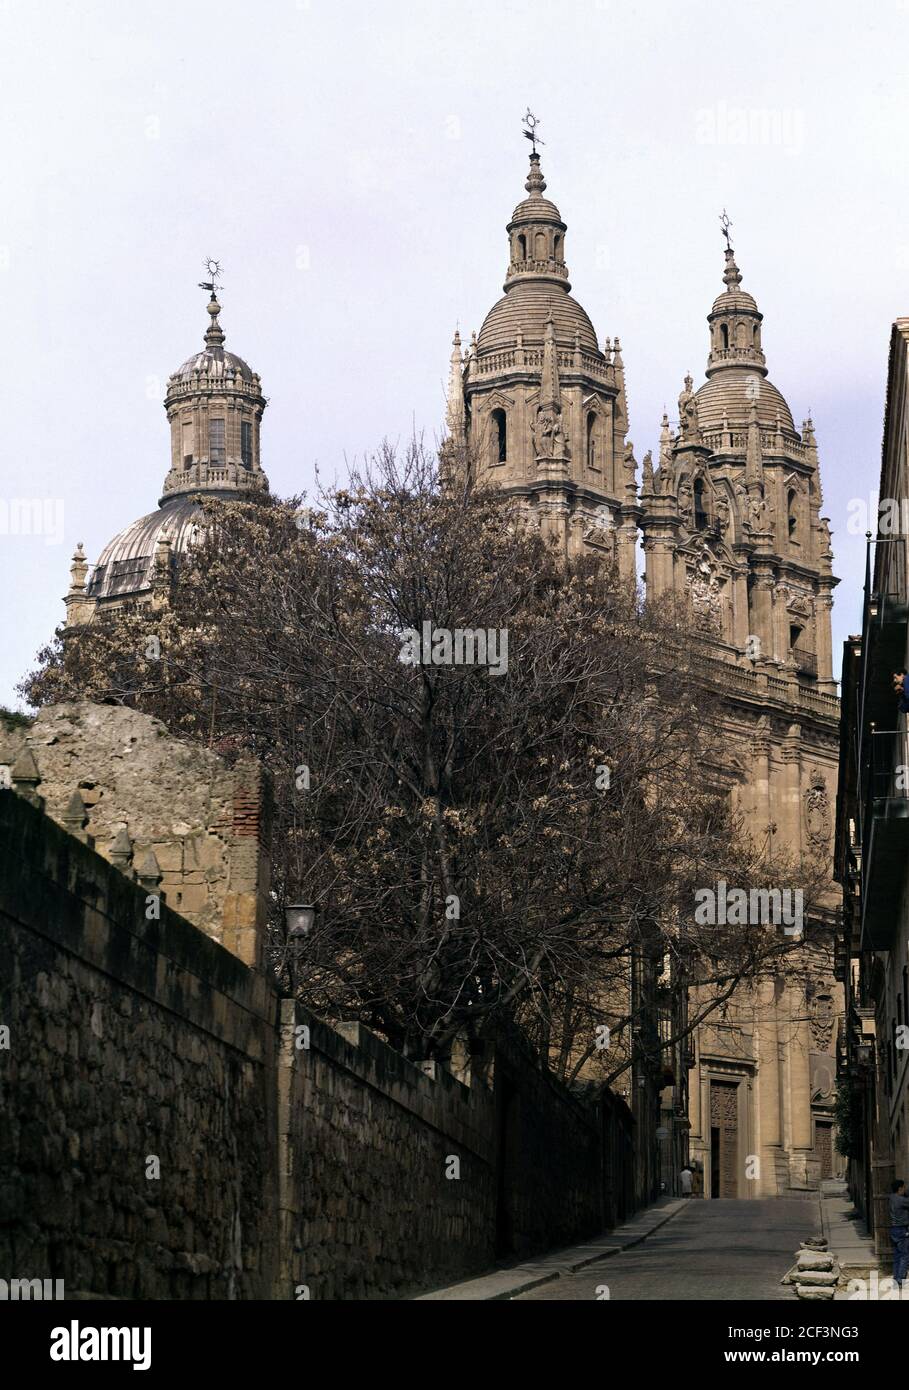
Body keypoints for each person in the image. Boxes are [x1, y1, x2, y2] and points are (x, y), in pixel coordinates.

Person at [889, 1179, 909, 1287]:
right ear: (900, 1189)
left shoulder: (892, 1197)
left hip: (894, 1230)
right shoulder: (901, 1200)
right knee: (905, 1256)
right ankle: (901, 1280)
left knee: (897, 1256)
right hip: (902, 1230)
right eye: (904, 1187)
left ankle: (896, 1280)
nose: (905, 1189)